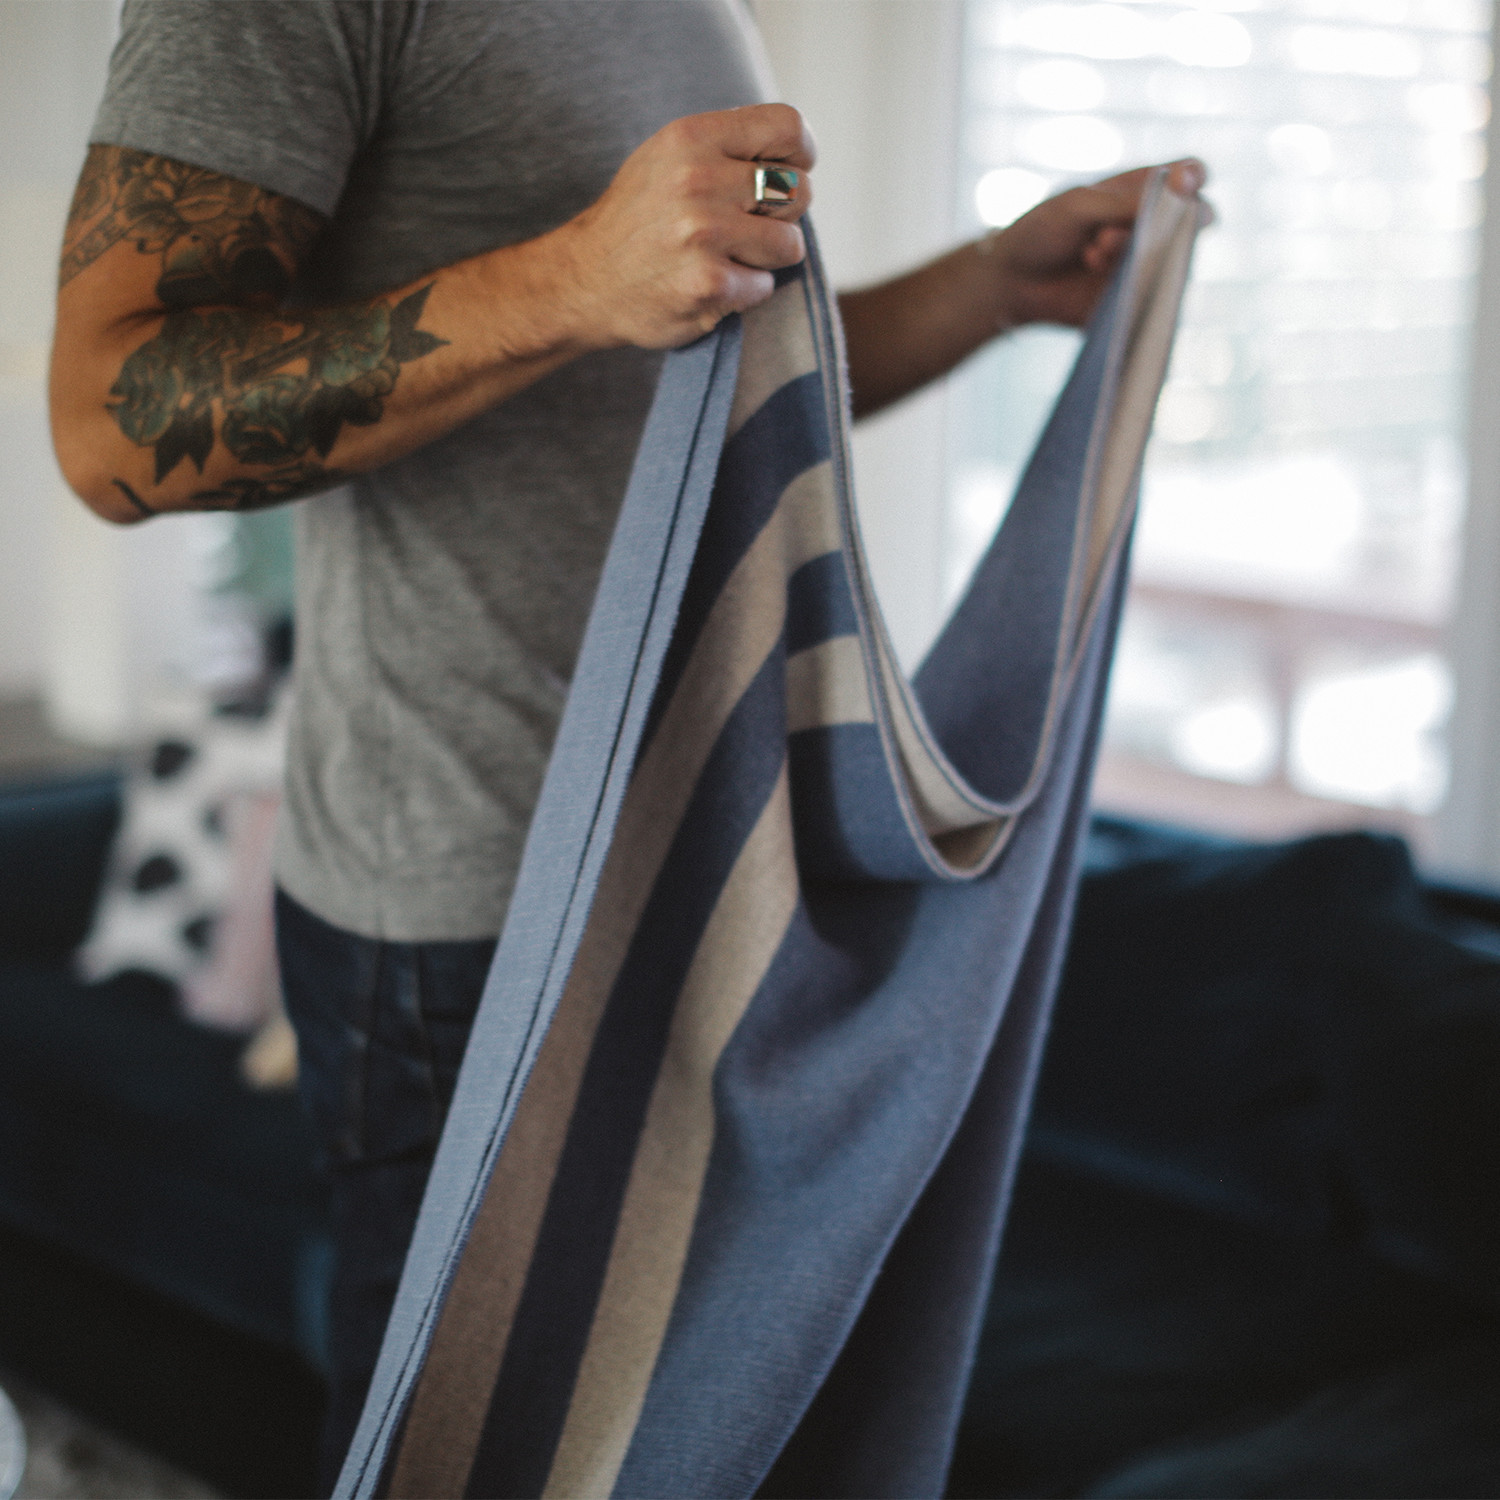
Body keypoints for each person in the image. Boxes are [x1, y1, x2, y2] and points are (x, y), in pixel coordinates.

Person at [50, 0, 1205, 1484]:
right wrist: (571, 279)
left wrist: (992, 284)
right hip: (478, 931)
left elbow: (706, 364)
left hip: (724, 881)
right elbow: (109, 426)